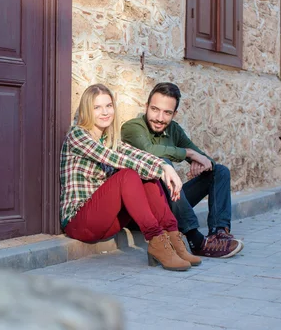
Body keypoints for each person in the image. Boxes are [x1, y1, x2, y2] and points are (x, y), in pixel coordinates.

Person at [60, 83, 202, 271]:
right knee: (128, 174)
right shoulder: (77, 135)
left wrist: (162, 166)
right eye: (97, 107)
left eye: (108, 106)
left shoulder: (110, 139)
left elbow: (135, 154)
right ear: (87, 110)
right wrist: (162, 170)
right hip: (80, 222)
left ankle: (172, 237)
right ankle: (156, 240)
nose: (105, 112)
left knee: (146, 176)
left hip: (107, 223)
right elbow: (113, 158)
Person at [121, 82, 243, 259]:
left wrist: (199, 158)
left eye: (167, 113)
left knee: (220, 172)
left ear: (174, 114)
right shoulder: (132, 128)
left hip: (168, 203)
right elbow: (150, 151)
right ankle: (196, 240)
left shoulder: (173, 130)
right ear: (146, 107)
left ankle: (219, 232)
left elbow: (205, 161)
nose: (160, 118)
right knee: (163, 164)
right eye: (155, 109)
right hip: (141, 212)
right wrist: (188, 153)